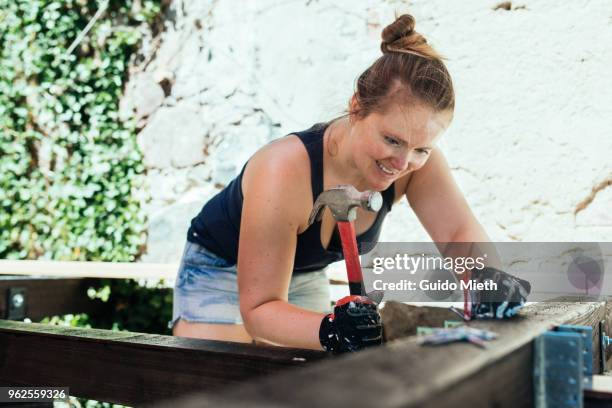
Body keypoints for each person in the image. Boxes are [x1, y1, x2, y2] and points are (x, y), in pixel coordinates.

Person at [171, 14, 530, 353]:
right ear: (357, 108)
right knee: (226, 388)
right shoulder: (283, 169)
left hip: (302, 273)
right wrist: (330, 329)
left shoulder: (415, 164)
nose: (402, 164)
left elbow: (457, 234)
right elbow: (261, 308)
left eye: (421, 148)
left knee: (311, 388)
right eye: (392, 140)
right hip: (221, 272)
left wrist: (488, 280)